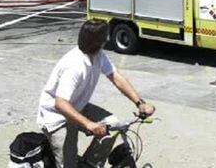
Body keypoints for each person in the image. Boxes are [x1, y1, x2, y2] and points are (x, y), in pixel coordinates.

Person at [37, 19, 155, 168]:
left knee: (113, 124)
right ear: (100, 41)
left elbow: (116, 77)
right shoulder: (74, 65)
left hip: (77, 106)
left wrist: (140, 103)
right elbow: (60, 103)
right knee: (69, 164)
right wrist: (89, 124)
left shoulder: (98, 54)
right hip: (57, 117)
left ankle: (89, 164)